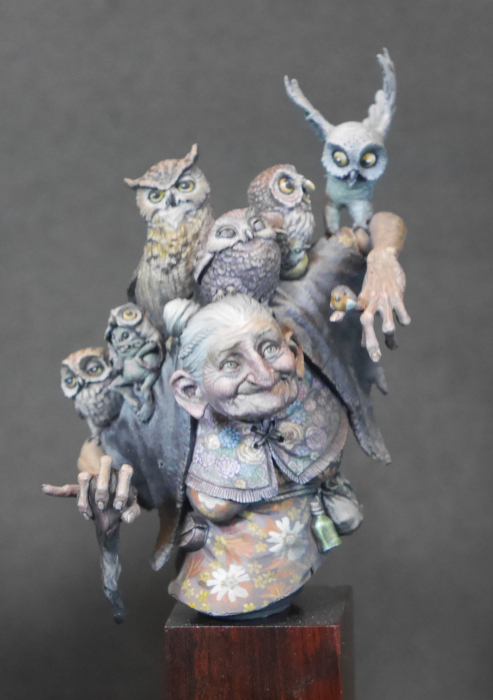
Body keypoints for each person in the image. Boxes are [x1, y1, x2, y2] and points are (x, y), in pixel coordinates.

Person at [163, 294, 361, 617]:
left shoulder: (306, 404)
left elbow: (325, 468)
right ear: (191, 390)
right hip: (224, 575)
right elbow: (209, 503)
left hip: (300, 550)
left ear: (294, 350)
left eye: (269, 349)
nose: (266, 376)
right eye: (231, 364)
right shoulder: (196, 437)